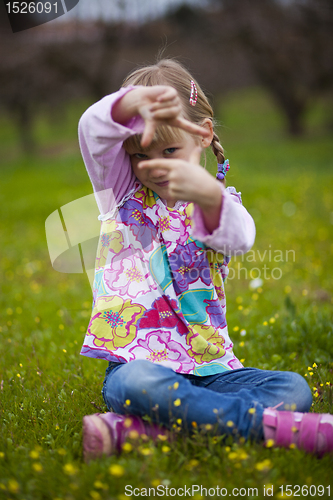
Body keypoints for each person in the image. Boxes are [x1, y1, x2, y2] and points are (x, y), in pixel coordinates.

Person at [78, 59, 332, 461]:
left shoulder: (218, 206)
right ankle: (263, 428)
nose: (154, 165)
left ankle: (148, 434)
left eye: (170, 150)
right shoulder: (122, 195)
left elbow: (240, 240)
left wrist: (208, 195)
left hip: (215, 371)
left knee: (293, 388)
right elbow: (91, 131)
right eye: (140, 155)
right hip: (140, 366)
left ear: (203, 135)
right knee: (136, 384)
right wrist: (127, 105)